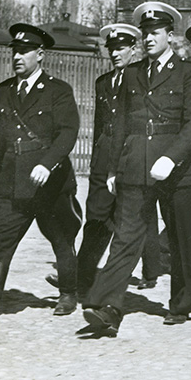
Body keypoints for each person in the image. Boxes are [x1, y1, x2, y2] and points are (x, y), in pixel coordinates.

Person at [83, 2, 191, 336]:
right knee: (126, 235)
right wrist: (113, 168)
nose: (149, 39)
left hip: (177, 168)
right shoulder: (134, 73)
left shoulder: (190, 73)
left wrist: (172, 157)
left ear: (170, 34)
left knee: (180, 238)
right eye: (145, 34)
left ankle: (181, 304)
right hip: (135, 164)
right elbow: (120, 122)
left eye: (155, 33)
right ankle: (107, 306)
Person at [0, 24, 82, 329]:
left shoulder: (58, 90)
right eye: (15, 51)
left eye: (24, 51)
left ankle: (68, 292)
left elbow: (68, 132)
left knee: (61, 237)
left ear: (40, 54)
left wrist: (48, 164)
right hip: (12, 181)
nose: (17, 57)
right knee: (0, 242)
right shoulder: (5, 90)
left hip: (49, 181)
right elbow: (1, 138)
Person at [67, 23, 141, 303]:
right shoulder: (103, 82)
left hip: (131, 159)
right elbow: (101, 125)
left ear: (133, 49)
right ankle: (82, 281)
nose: (115, 54)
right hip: (103, 159)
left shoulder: (140, 79)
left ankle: (120, 284)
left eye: (121, 48)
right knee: (96, 220)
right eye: (112, 49)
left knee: (129, 223)